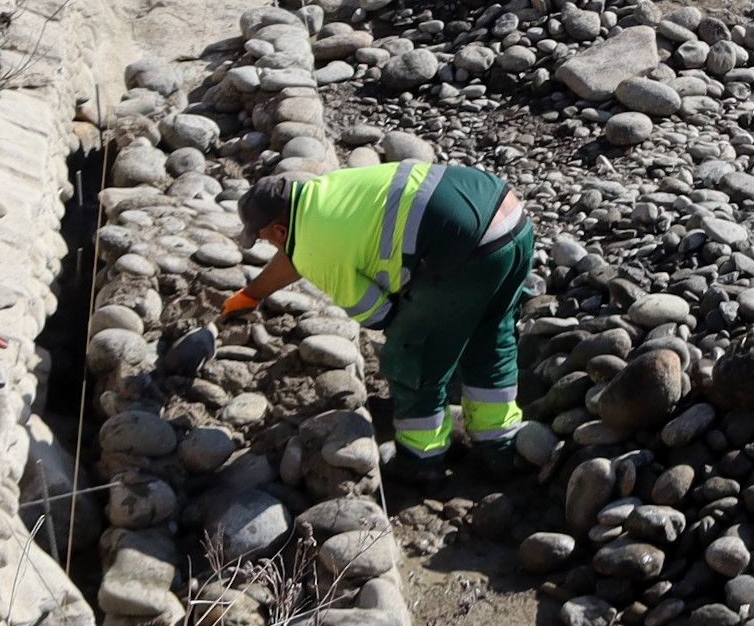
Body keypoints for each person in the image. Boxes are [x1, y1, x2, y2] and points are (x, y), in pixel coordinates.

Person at [226, 158, 533, 480]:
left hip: (467, 247)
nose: (268, 244)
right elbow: (294, 255)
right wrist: (251, 294)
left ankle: (422, 461)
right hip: (509, 218)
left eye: (263, 238)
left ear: (279, 229)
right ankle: (499, 447)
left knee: (414, 354)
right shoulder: (324, 192)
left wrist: (423, 324)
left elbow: (379, 315)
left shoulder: (314, 246)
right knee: (490, 336)